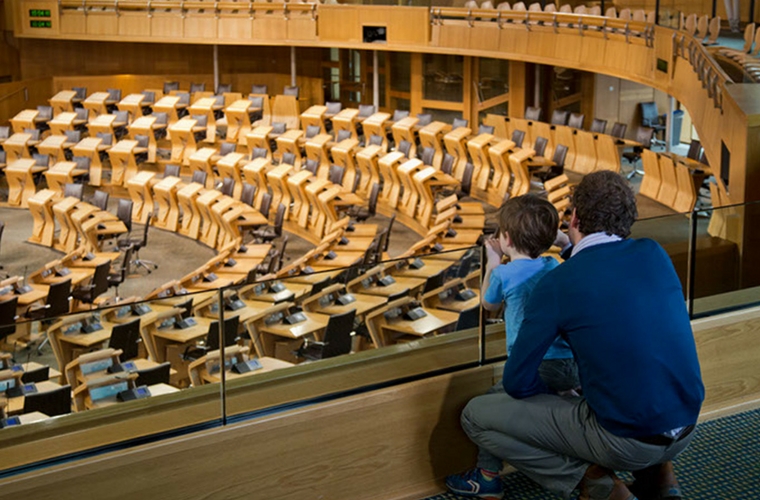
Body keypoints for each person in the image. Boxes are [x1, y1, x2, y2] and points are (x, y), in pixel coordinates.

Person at [446, 171, 704, 500]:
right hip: (686, 425)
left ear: (574, 217)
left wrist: (556, 399)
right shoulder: (653, 252)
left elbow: (517, 382)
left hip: (624, 440)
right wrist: (571, 246)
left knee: (476, 415)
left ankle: (599, 486)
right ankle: (661, 479)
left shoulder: (560, 283)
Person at [480, 194, 579, 395]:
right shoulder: (553, 264)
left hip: (535, 363)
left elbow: (488, 303)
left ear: (506, 238)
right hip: (570, 362)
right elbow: (577, 262)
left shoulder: (503, 273)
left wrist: (493, 262)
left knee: (493, 397)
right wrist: (563, 243)